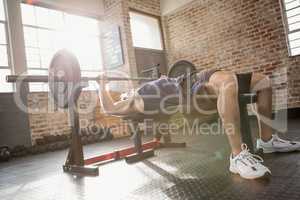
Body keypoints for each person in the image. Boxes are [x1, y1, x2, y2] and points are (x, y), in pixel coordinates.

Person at [97, 68, 300, 180]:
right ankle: (237, 157)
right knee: (228, 83)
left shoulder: (145, 91)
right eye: (124, 96)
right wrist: (101, 84)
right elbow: (109, 108)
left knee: (263, 82)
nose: (125, 93)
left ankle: (266, 140)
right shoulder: (137, 101)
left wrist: (164, 79)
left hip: (192, 79)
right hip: (192, 90)